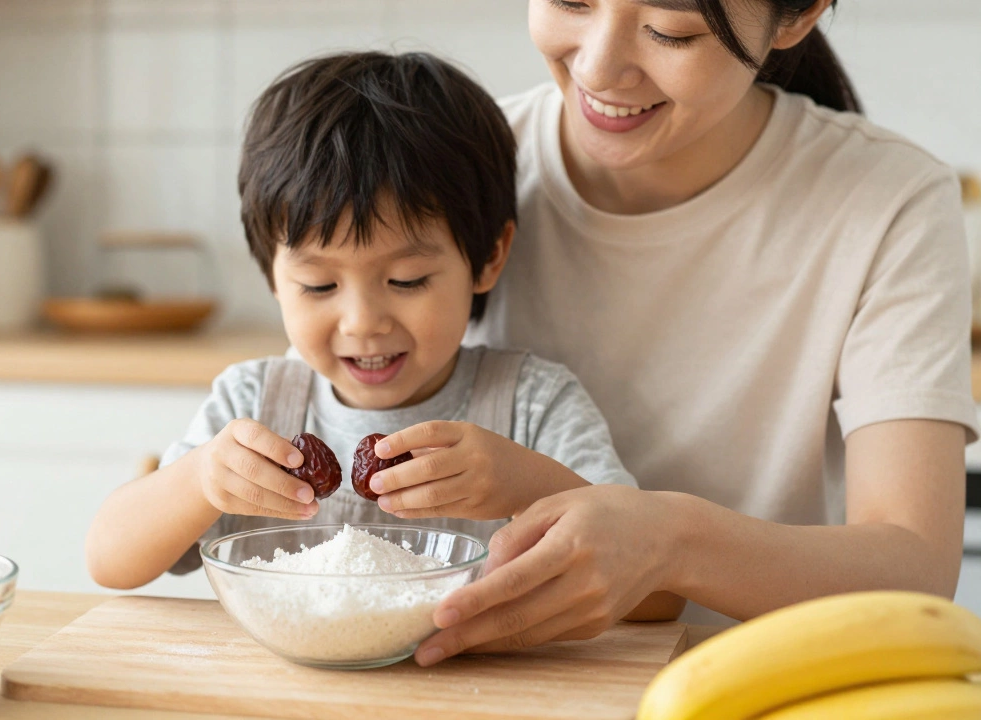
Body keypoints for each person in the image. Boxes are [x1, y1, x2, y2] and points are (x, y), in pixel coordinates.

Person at [377, 0, 978, 667]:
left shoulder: (888, 200)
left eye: (672, 31)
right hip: (488, 685)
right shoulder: (453, 166)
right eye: (571, 1)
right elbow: (324, 422)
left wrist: (668, 543)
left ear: (796, 17)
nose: (599, 66)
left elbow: (915, 568)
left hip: (757, 688)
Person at [85, 51, 651, 596]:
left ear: (488, 258)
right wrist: (200, 480)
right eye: (319, 286)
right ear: (272, 277)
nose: (362, 323)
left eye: (406, 281)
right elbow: (108, 561)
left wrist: (531, 485)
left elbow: (651, 589)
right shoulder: (254, 405)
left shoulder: (532, 405)